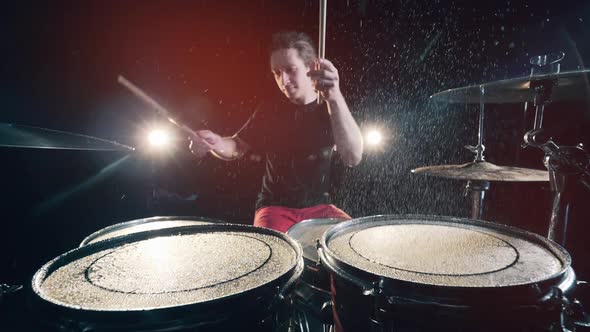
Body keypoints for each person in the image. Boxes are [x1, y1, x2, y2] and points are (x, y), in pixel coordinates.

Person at [189, 31, 363, 232]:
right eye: (277, 73)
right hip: (274, 208)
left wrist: (334, 96)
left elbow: (353, 157)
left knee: (353, 240)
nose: (284, 81)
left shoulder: (332, 107)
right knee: (279, 256)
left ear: (312, 67)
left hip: (320, 208)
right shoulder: (270, 110)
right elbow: (237, 146)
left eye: (290, 69)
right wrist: (216, 142)